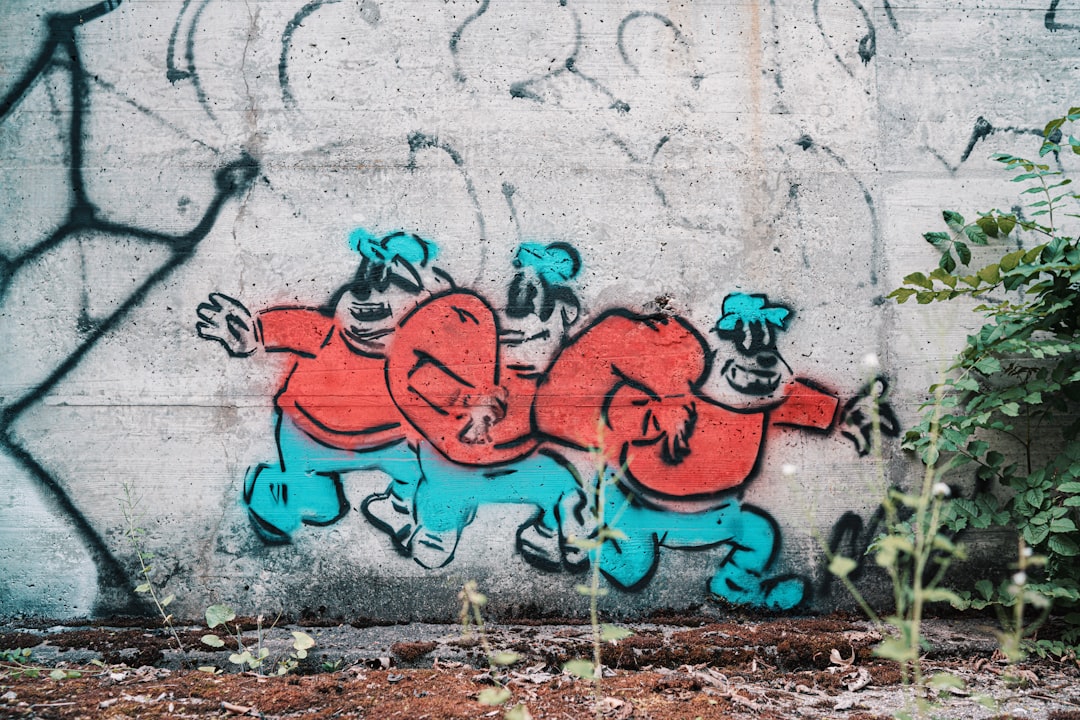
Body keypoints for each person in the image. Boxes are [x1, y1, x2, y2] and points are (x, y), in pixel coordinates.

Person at [534, 292, 896, 609]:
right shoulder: (664, 402)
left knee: (759, 533)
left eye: (766, 349)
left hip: (710, 515)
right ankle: (578, 531)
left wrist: (850, 414)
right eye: (742, 344)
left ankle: (735, 589)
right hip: (638, 508)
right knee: (631, 570)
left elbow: (804, 407)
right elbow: (595, 407)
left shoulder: (759, 406)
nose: (760, 361)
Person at [195, 229, 451, 542]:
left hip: (386, 442)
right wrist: (250, 335)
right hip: (315, 437)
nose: (368, 299)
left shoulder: (411, 351)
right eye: (365, 285)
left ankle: (399, 506)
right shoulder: (326, 331)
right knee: (326, 502)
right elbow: (279, 329)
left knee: (421, 473)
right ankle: (273, 489)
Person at [363, 242, 591, 570]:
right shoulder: (486, 350)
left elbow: (419, 376)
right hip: (482, 460)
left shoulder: (518, 368)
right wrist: (470, 400)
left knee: (448, 486)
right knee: (548, 482)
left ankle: (438, 530)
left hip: (481, 459)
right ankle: (546, 519)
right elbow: (421, 376)